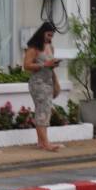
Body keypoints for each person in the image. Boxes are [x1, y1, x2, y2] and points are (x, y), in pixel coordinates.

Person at [22, 22, 64, 152]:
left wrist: (53, 65)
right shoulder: (34, 47)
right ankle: (46, 143)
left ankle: (41, 142)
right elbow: (26, 65)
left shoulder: (50, 47)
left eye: (52, 35)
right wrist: (44, 64)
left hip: (48, 81)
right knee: (42, 111)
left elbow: (48, 64)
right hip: (38, 83)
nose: (50, 37)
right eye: (48, 35)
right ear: (42, 33)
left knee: (46, 111)